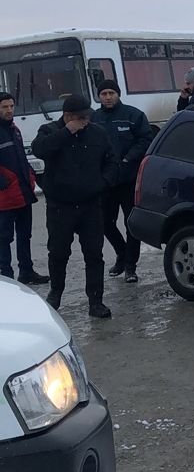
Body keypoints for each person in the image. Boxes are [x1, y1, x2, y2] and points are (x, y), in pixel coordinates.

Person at [31, 93, 118, 318]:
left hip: (91, 204)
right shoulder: (49, 131)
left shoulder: (97, 133)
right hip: (61, 206)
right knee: (58, 253)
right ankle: (56, 294)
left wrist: (104, 182)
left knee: (94, 254)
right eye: (80, 118)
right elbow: (40, 149)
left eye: (87, 117)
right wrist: (67, 132)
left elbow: (111, 161)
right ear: (68, 116)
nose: (85, 122)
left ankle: (96, 301)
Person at [92, 77, 152, 282]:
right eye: (104, 94)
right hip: (105, 182)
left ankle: (130, 266)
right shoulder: (94, 118)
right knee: (105, 223)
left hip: (129, 180)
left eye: (111, 93)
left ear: (118, 94)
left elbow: (146, 140)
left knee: (131, 224)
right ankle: (122, 252)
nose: (108, 97)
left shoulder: (133, 115)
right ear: (98, 97)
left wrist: (128, 158)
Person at [0, 92, 49, 285]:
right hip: (5, 197)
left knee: (24, 235)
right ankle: (6, 277)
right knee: (3, 238)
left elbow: (21, 158)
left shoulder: (14, 129)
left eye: (11, 106)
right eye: (5, 107)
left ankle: (26, 271)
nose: (9, 110)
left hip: (23, 194)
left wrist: (30, 178)